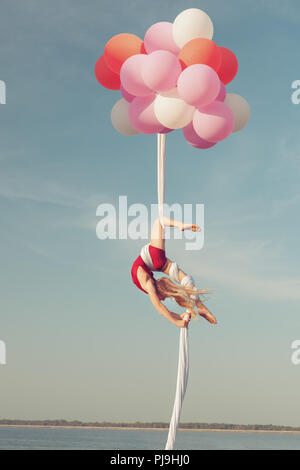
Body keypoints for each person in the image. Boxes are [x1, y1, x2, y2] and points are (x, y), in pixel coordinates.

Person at [131, 216, 217, 328]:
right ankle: (200, 306)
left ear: (160, 292)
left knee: (160, 221)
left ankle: (200, 306)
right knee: (185, 279)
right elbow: (166, 312)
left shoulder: (149, 285)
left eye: (164, 297)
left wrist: (177, 322)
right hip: (151, 259)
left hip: (152, 256)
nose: (164, 298)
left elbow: (161, 310)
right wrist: (180, 317)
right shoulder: (149, 283)